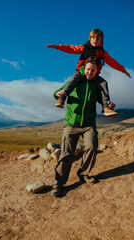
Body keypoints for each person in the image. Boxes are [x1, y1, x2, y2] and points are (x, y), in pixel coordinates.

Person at [51, 56, 115, 197]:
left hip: (88, 124)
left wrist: (109, 105)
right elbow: (58, 93)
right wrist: (58, 93)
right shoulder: (75, 81)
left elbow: (102, 99)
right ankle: (58, 183)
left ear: (97, 71)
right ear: (83, 68)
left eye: (93, 70)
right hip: (71, 122)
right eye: (88, 69)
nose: (89, 72)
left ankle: (83, 174)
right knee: (66, 153)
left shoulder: (96, 85)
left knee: (92, 147)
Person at [47, 29, 131, 117]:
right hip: (80, 72)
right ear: (90, 39)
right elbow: (71, 48)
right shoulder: (84, 48)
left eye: (97, 39)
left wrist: (123, 70)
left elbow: (112, 61)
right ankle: (63, 97)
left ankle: (106, 107)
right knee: (74, 78)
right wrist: (57, 47)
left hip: (94, 75)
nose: (95, 40)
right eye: (93, 38)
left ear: (101, 40)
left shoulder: (102, 53)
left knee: (103, 83)